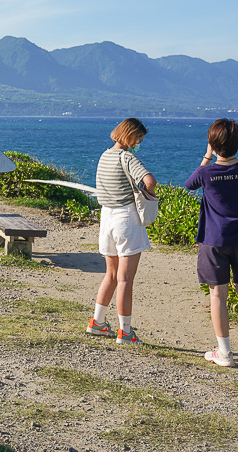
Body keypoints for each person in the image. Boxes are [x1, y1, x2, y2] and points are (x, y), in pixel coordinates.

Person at [184, 118, 238, 369]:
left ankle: (225, 353)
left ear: (212, 143)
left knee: (218, 295)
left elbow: (188, 186)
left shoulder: (206, 172)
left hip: (214, 241)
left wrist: (207, 156)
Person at [88, 118, 157, 345]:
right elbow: (150, 181)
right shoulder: (127, 157)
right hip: (126, 218)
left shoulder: (104, 155)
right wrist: (145, 194)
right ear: (130, 136)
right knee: (126, 279)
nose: (138, 143)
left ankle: (97, 323)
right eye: (138, 139)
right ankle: (125, 331)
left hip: (106, 217)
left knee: (111, 275)